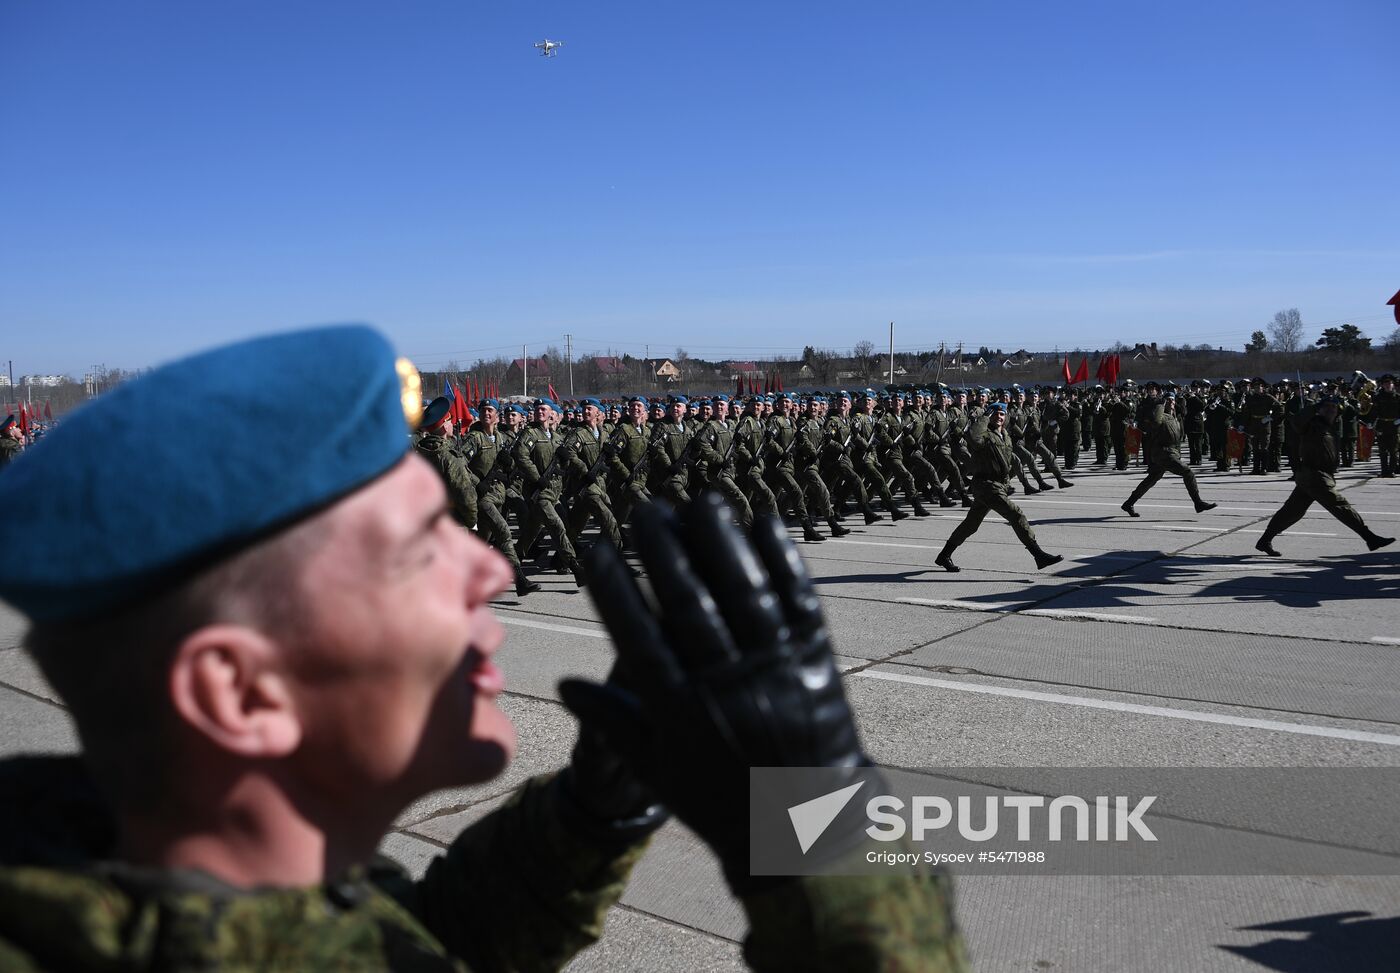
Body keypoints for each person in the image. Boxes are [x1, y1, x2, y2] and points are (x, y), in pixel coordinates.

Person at [0, 326, 966, 971]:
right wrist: (825, 820)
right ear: (240, 689)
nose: (494, 571)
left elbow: (420, 944)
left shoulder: (242, 899)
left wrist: (597, 808)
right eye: (420, 546)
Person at [1255, 394, 1395, 557]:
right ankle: (1370, 537)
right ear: (1319, 410)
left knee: (1292, 511)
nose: (1330, 410)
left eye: (1334, 408)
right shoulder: (1311, 424)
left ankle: (1265, 540)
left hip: (1319, 475)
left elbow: (1355, 413)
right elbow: (1296, 421)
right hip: (1314, 475)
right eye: (1326, 407)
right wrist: (1313, 408)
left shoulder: (1331, 427)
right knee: (1340, 505)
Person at [935, 403, 1063, 573]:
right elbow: (973, 437)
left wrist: (1007, 483)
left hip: (996, 485)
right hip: (986, 485)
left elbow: (1006, 462)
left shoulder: (1005, 436)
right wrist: (984, 417)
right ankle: (1038, 555)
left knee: (970, 525)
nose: (999, 417)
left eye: (1002, 414)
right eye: (995, 414)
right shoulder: (984, 434)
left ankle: (944, 555)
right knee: (1016, 514)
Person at [1120, 392, 1217, 518]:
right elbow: (1155, 422)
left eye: (1173, 400)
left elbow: (1177, 438)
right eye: (1168, 400)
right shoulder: (1160, 416)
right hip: (1162, 453)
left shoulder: (1175, 418)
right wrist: (1160, 405)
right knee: (1187, 472)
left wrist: (1178, 455)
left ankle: (1129, 503)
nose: (1171, 402)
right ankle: (1198, 503)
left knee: (1151, 479)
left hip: (1171, 453)